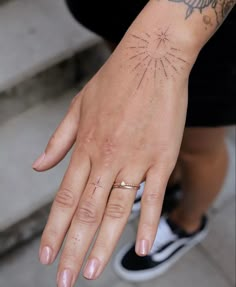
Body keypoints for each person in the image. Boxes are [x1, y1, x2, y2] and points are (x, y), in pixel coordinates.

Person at [32, 1, 235, 286]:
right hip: (118, 10)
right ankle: (167, 179)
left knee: (198, 147)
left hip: (208, 31)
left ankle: (187, 223)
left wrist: (165, 40)